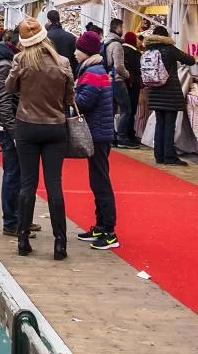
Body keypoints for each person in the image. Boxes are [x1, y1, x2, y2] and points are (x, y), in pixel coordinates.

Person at [6, 17, 75, 260]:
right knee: (54, 184)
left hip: (27, 125)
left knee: (28, 184)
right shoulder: (63, 62)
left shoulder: (20, 60)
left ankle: (23, 239)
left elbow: (9, 87)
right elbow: (69, 98)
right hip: (55, 127)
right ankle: (60, 243)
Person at [0, 29, 38, 237]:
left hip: (11, 124)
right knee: (13, 174)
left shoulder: (8, 61)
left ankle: (20, 217)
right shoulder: (5, 64)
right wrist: (14, 131)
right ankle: (12, 221)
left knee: (19, 174)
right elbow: (4, 102)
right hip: (8, 127)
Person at [72, 30, 120, 250]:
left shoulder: (92, 72)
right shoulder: (94, 70)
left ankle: (109, 231)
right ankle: (101, 226)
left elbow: (84, 102)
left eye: (77, 49)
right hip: (99, 131)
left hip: (98, 133)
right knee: (97, 179)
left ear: (86, 52)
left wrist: (70, 96)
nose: (74, 53)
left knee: (100, 181)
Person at [142, 26, 196, 166]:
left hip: (154, 91)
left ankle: (159, 156)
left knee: (160, 124)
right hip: (170, 92)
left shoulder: (148, 50)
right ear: (166, 36)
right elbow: (190, 60)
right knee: (169, 125)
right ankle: (169, 157)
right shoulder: (170, 49)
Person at [103, 19, 137, 148]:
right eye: (122, 27)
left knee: (110, 110)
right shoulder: (116, 45)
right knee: (126, 109)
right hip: (117, 81)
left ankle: (111, 136)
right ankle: (122, 137)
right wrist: (129, 75)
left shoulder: (105, 41)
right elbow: (118, 66)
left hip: (107, 79)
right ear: (118, 28)